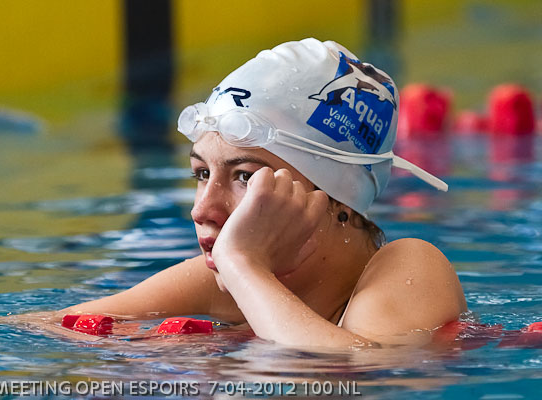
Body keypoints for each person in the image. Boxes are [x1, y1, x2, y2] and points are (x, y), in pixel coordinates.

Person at [60, 38, 467, 348]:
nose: (202, 209)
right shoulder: (225, 278)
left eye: (244, 176)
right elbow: (49, 326)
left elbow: (362, 372)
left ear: (335, 197)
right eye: (202, 173)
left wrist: (243, 266)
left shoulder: (410, 266)